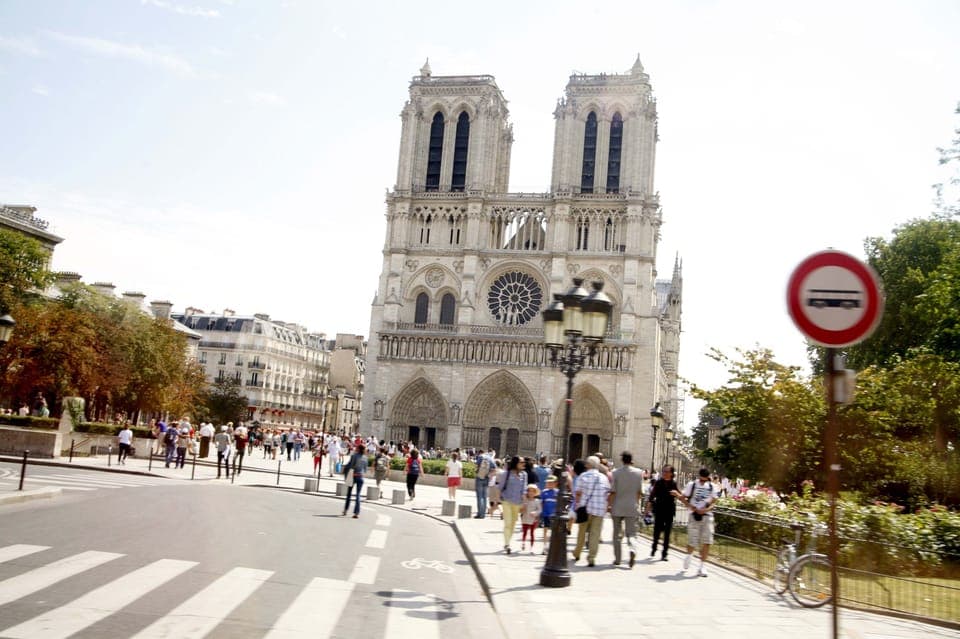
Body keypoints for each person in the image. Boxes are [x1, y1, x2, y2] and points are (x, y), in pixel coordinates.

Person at [679, 468, 718, 577]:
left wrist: (705, 510)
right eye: (701, 480)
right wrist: (691, 507)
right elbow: (682, 498)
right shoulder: (692, 485)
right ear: (698, 477)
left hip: (707, 516)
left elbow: (714, 502)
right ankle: (689, 556)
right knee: (692, 540)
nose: (703, 482)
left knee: (707, 541)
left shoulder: (712, 486)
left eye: (705, 480)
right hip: (694, 515)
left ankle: (702, 566)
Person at [609, 451, 645, 567]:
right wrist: (637, 503)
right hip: (632, 506)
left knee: (617, 534)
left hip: (618, 506)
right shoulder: (639, 473)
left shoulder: (615, 473)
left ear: (622, 460)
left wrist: (609, 505)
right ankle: (633, 550)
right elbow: (640, 492)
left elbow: (613, 491)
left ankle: (618, 559)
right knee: (632, 534)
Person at [572, 456, 610, 567]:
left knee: (582, 533)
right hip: (599, 510)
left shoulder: (583, 476)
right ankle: (591, 557)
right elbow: (607, 493)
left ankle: (577, 553)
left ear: (588, 465)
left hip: (585, 508)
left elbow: (578, 493)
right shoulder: (603, 478)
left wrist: (577, 505)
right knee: (595, 534)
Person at [646, 464, 680, 561]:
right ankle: (654, 548)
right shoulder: (658, 482)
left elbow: (679, 495)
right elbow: (652, 496)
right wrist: (647, 510)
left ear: (671, 473)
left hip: (669, 511)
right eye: (663, 471)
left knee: (667, 533)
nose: (664, 473)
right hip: (659, 510)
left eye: (667, 471)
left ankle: (664, 553)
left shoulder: (673, 483)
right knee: (657, 531)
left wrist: (678, 495)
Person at [497, 456, 526, 554]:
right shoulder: (507, 474)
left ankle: (508, 541)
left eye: (523, 462)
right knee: (508, 523)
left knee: (513, 524)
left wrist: (524, 504)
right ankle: (507, 544)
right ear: (516, 463)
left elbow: (524, 490)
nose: (523, 464)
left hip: (517, 503)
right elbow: (500, 487)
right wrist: (497, 500)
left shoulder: (524, 475)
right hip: (507, 501)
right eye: (521, 462)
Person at [342, 443, 368, 518]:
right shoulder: (365, 458)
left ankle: (345, 510)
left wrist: (344, 470)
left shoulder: (354, 456)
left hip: (353, 476)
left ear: (358, 449)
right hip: (361, 477)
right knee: (358, 495)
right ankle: (356, 513)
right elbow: (365, 469)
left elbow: (350, 465)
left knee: (349, 494)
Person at [520, 484, 542, 553]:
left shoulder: (537, 501)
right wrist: (523, 507)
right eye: (529, 491)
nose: (531, 493)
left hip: (533, 519)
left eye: (533, 491)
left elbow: (540, 510)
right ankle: (523, 543)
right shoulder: (525, 500)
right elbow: (520, 510)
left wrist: (535, 513)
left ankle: (531, 547)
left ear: (535, 492)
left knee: (532, 533)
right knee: (525, 532)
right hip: (525, 518)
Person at [540, 475, 558, 554]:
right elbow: (541, 503)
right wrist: (541, 512)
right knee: (545, 530)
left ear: (555, 483)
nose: (550, 484)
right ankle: (545, 546)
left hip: (554, 516)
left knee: (554, 532)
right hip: (546, 514)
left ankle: (553, 547)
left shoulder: (558, 492)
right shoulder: (544, 492)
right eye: (548, 483)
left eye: (552, 483)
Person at [473, 449, 493, 519]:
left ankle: (480, 514)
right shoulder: (490, 458)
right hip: (486, 479)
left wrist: (477, 472)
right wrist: (488, 475)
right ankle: (483, 514)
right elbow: (495, 469)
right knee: (484, 497)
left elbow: (476, 467)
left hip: (479, 478)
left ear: (480, 453)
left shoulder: (480, 457)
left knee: (480, 497)